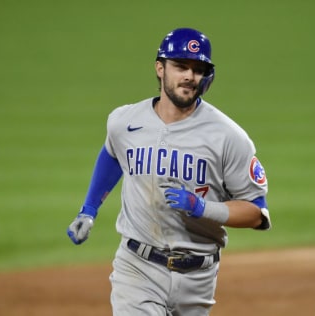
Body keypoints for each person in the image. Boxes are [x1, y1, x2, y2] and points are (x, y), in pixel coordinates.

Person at [66, 27, 271, 316]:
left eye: (198, 69)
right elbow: (113, 153)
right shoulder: (124, 121)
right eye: (181, 66)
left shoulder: (229, 137)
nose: (190, 75)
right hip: (137, 267)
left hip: (197, 278)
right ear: (160, 68)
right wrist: (88, 210)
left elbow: (256, 213)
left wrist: (203, 208)